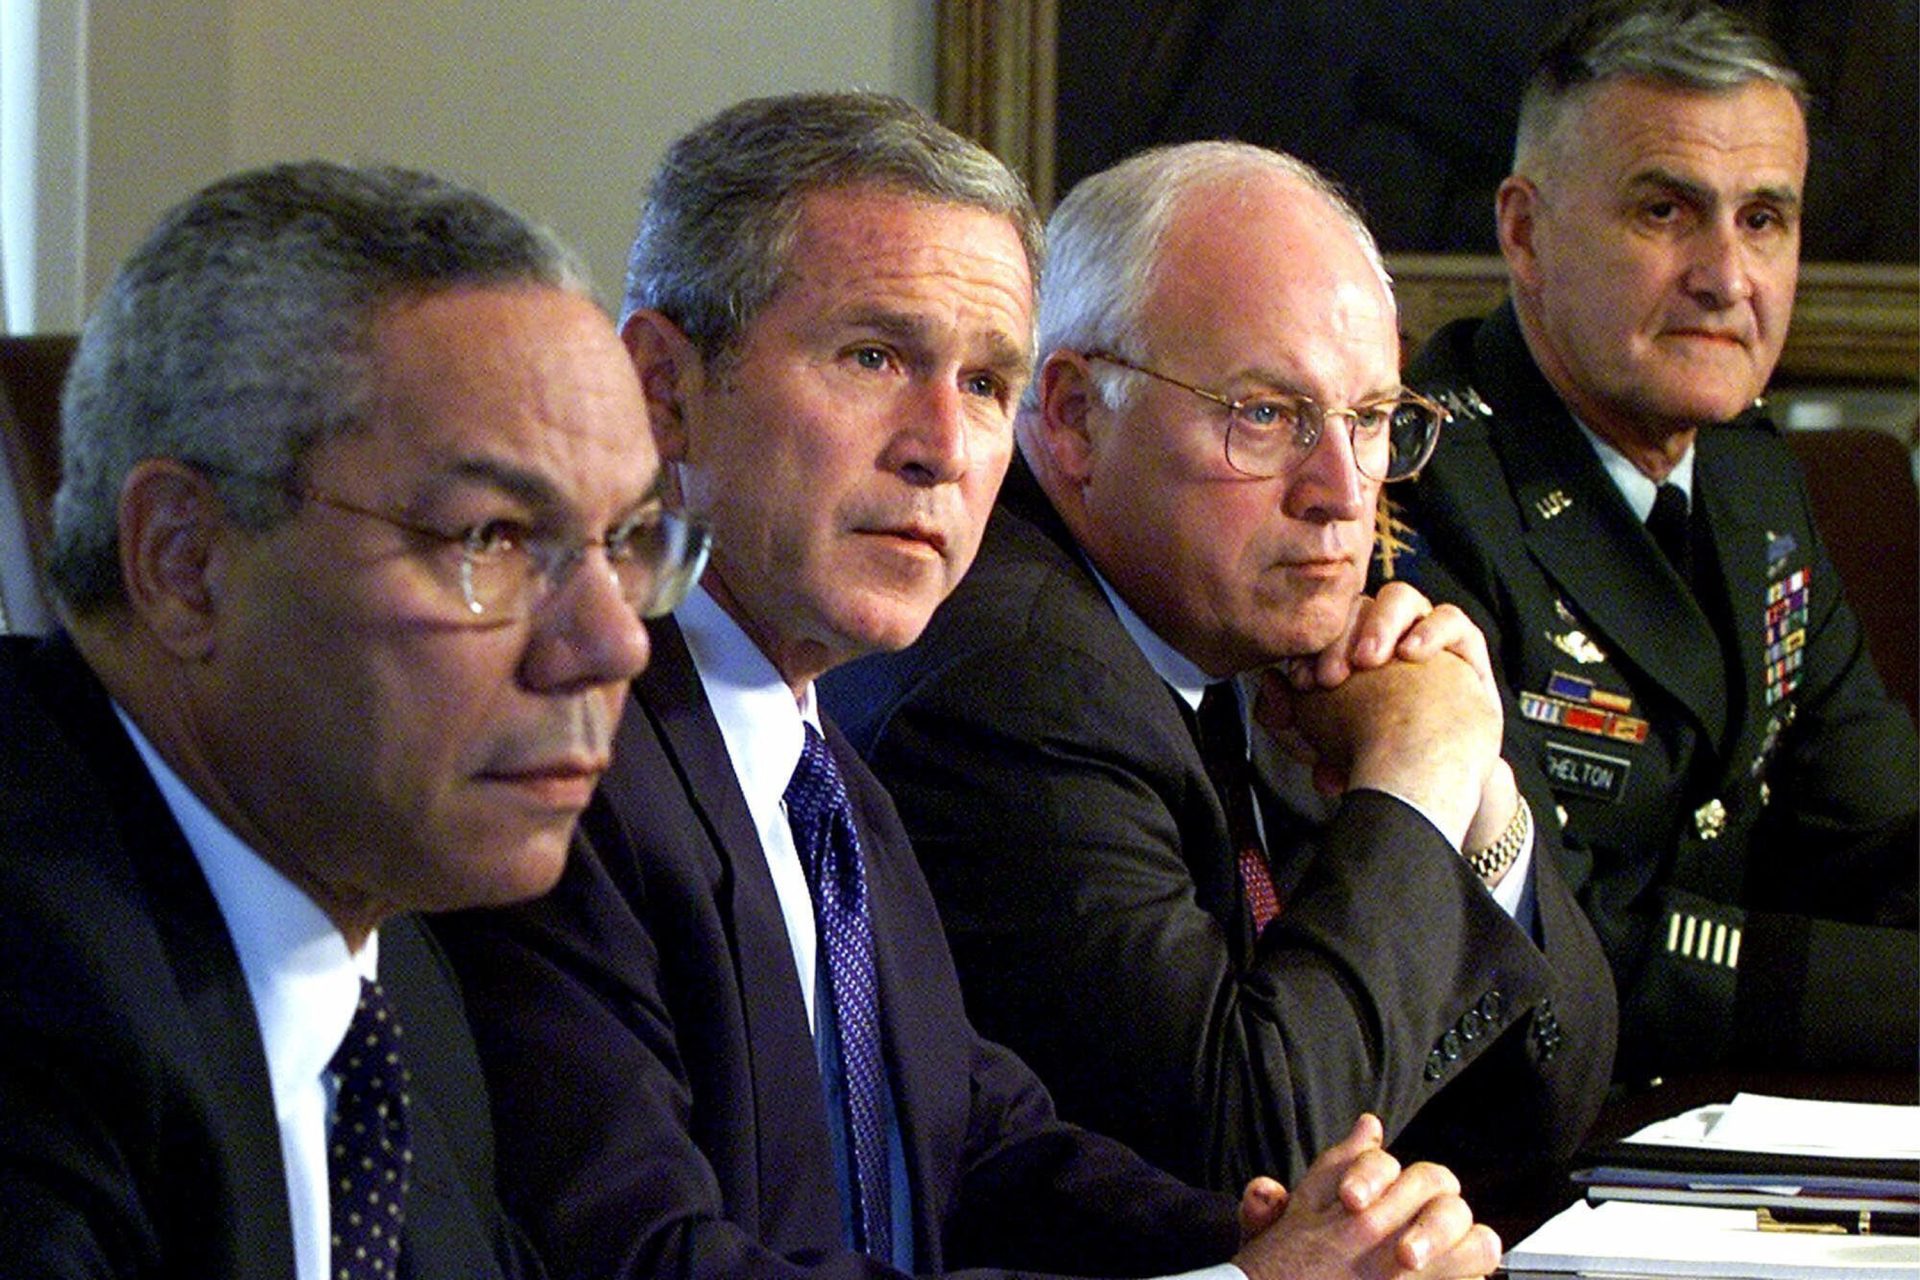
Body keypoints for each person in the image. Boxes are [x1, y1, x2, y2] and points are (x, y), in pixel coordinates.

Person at [432, 92, 1501, 1280]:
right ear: (663, 388)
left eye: (987, 382)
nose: (940, 444)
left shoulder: (826, 773)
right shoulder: (554, 774)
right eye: (875, 356)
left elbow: (979, 1149)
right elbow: (647, 1259)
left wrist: (1280, 1237)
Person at [821, 139, 1617, 1202]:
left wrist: (1485, 806)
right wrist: (1416, 779)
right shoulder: (1017, 678)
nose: (1344, 491)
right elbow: (1248, 1155)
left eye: (1372, 418)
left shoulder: (1249, 639)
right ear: (1070, 415)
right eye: (1266, 415)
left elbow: (1547, 1110)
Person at [0, 160, 710, 1278]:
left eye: (626, 543)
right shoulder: (35, 1000)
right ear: (185, 564)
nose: (615, 642)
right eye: (493, 539)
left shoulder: (392, 962)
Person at [1375, 0, 1918, 1081]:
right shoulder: (1424, 489)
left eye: (1765, 219)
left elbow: (1874, 827)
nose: (1728, 276)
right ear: (1524, 231)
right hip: (1514, 1148)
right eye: (1667, 210)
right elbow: (1571, 937)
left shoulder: (1754, 475)